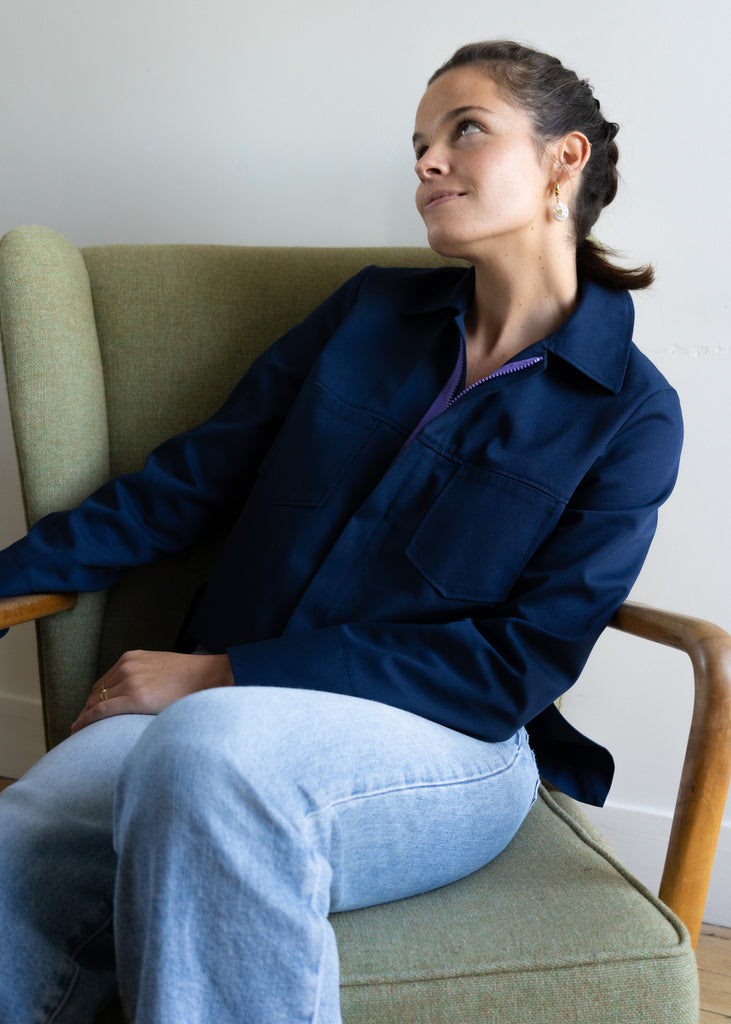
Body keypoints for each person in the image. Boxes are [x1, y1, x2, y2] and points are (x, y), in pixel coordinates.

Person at [0, 39, 682, 1024]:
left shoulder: (630, 413)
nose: (427, 161)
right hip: (207, 717)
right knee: (18, 848)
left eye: (464, 130)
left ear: (561, 159)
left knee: (210, 754)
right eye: (418, 144)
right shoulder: (366, 313)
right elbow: (184, 487)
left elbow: (514, 664)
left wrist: (220, 673)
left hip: (446, 741)